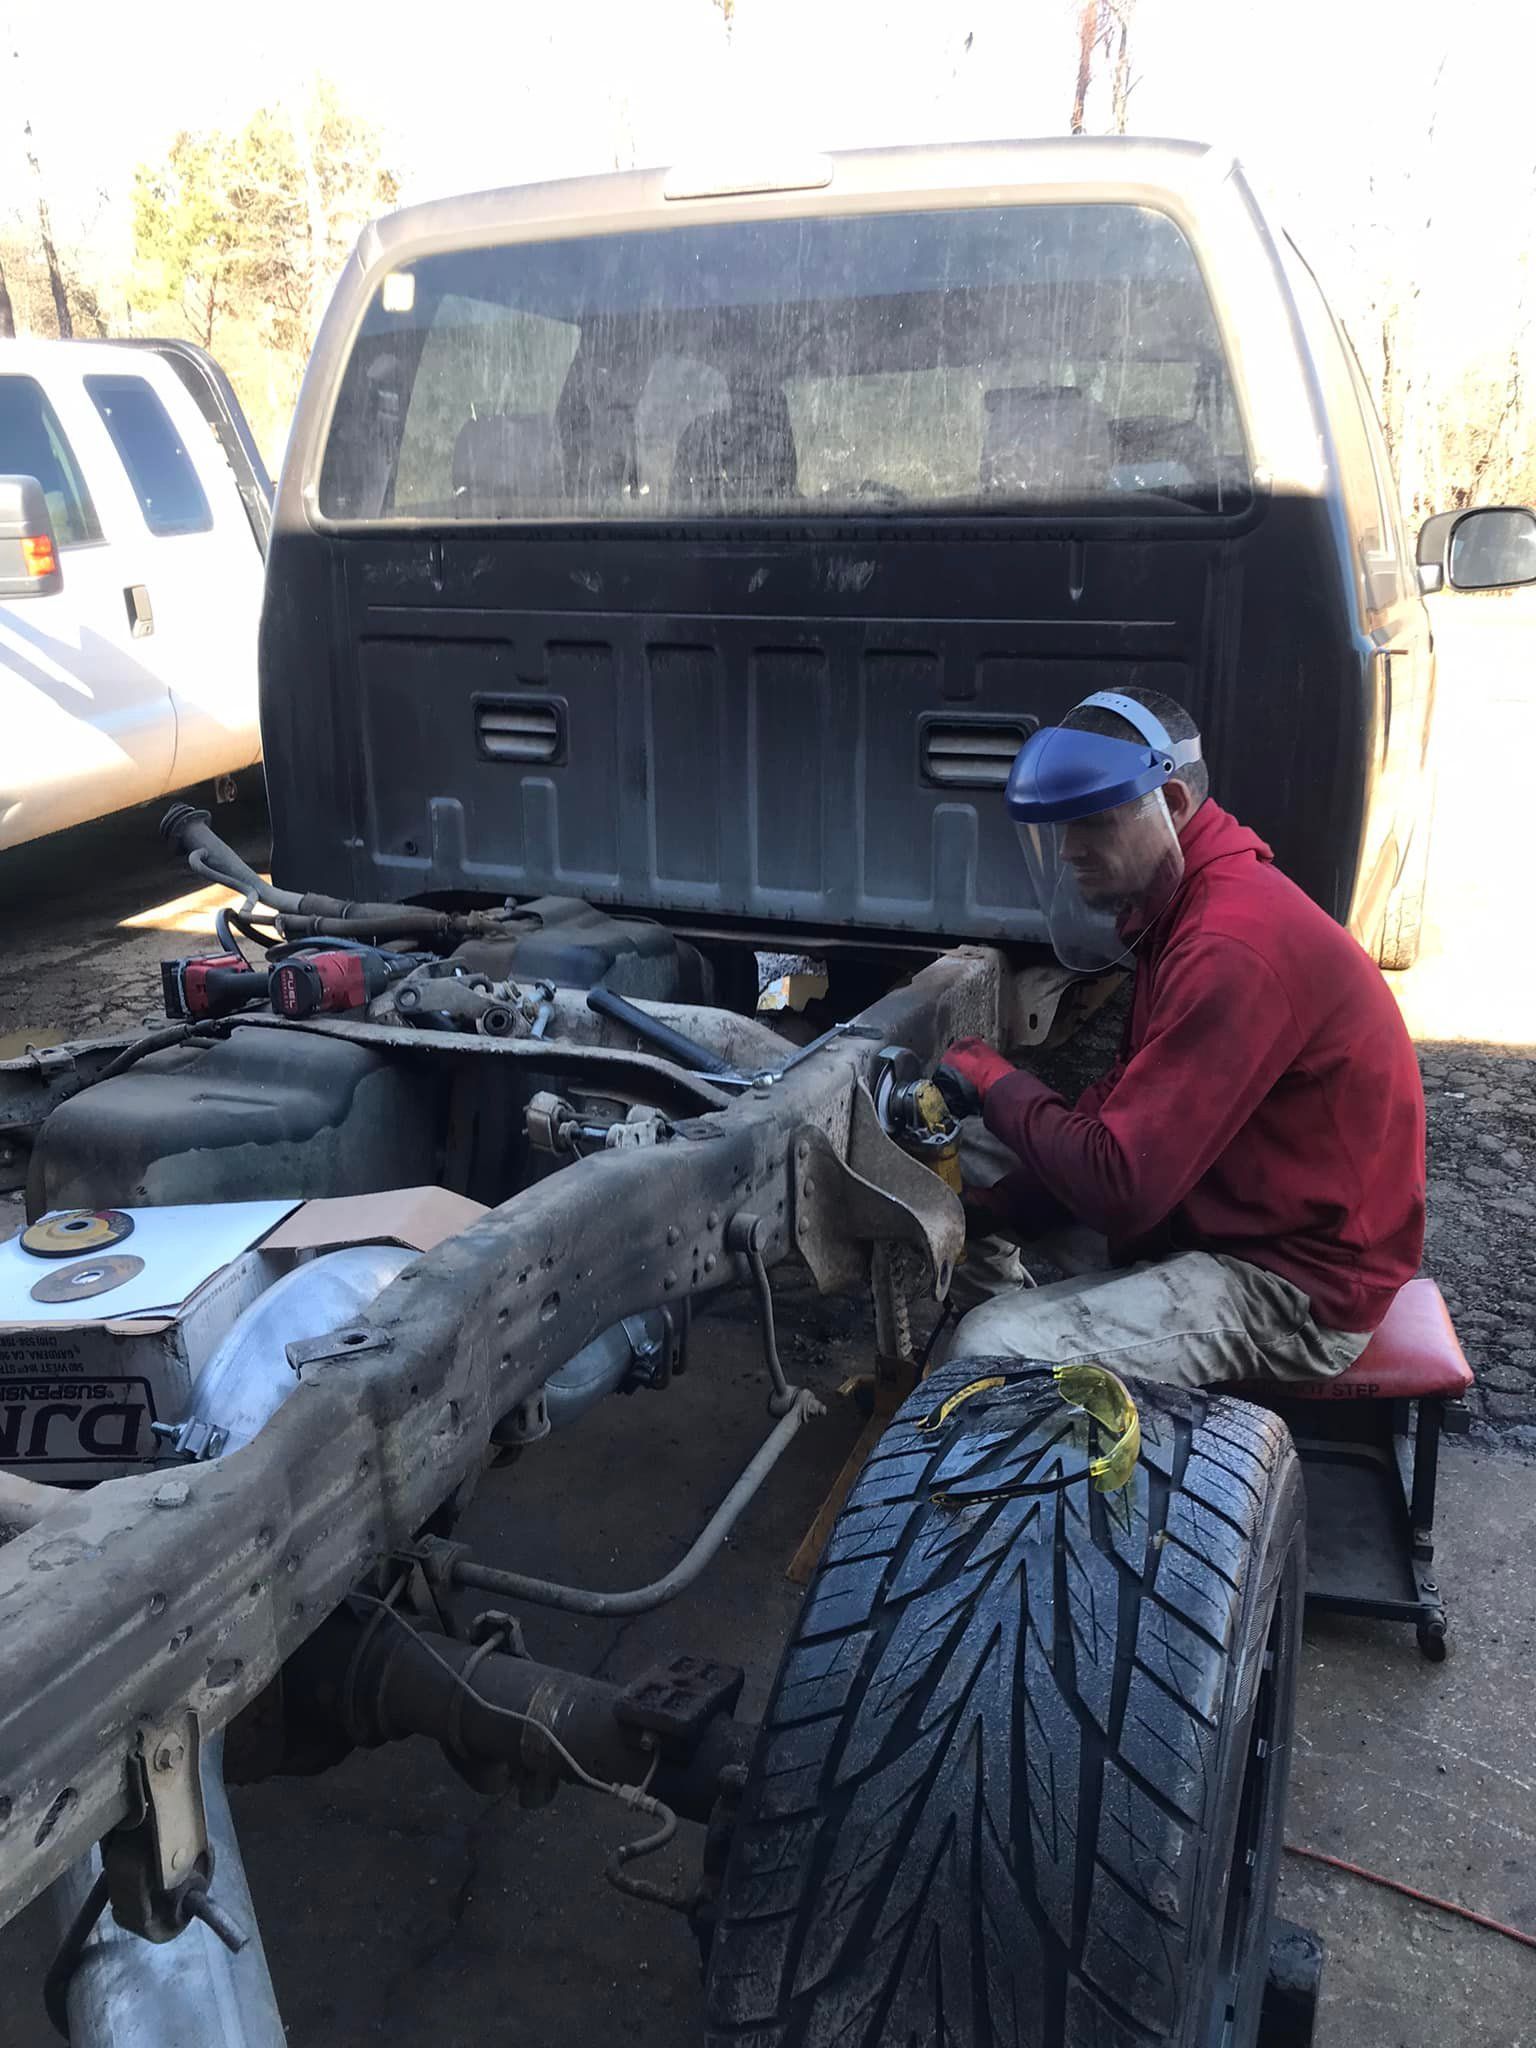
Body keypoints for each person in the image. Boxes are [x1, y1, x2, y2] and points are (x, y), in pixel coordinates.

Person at [938, 686, 1426, 1388]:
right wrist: (1000, 1207)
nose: (1071, 852)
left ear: (1168, 805)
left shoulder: (1233, 945)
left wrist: (997, 1083)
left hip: (1292, 1286)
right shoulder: (1190, 907)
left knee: (987, 1348)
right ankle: (1051, 1394)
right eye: (1062, 829)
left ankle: (1024, 1389)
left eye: (1093, 823)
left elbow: (1123, 1188)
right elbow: (1120, 1121)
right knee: (953, 1150)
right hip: (1215, 1211)